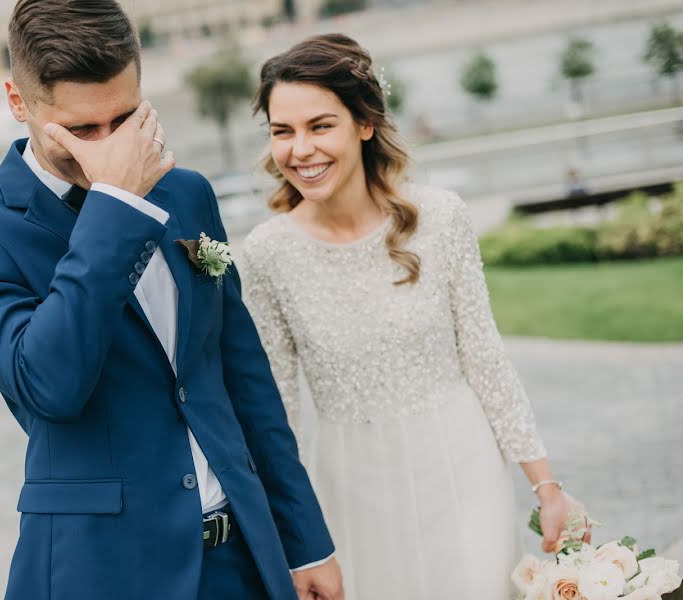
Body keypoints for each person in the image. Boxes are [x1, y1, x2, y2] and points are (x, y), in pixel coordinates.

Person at [0, 2, 343, 598]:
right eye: (81, 130)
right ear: (18, 102)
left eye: (123, 120)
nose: (106, 147)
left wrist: (305, 541)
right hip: (107, 572)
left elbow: (243, 379)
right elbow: (52, 385)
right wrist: (116, 207)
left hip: (242, 561)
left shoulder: (187, 194)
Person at [240, 33, 588, 599]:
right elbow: (278, 409)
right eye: (283, 131)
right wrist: (295, 538)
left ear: (364, 124)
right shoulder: (265, 253)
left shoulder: (442, 217)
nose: (299, 150)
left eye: (319, 125)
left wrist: (547, 487)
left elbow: (485, 357)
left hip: (460, 463)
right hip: (346, 485)